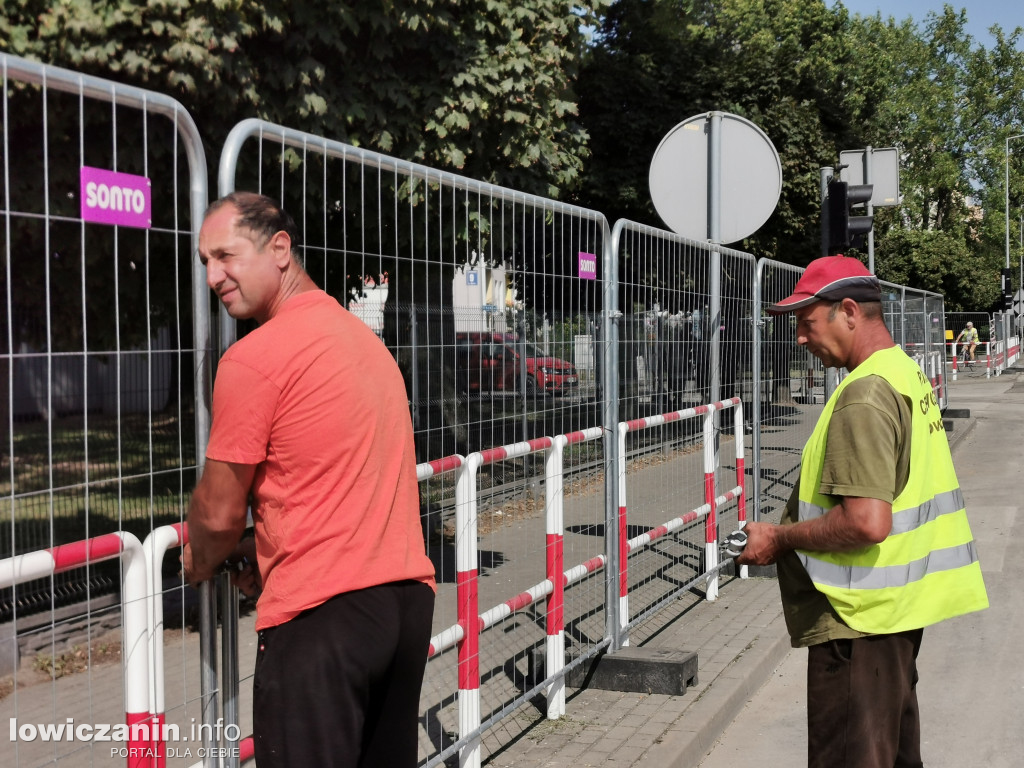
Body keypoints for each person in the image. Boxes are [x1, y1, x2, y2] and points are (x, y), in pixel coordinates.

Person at [181, 192, 437, 768]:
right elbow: (336, 479)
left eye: (226, 255)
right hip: (403, 606)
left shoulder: (255, 358)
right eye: (204, 262)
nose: (214, 276)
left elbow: (218, 513)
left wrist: (201, 559)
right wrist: (262, 544)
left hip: (323, 619)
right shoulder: (363, 343)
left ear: (279, 249)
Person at [736, 255, 988, 768]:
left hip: (858, 625)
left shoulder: (863, 395)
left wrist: (778, 539)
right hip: (893, 618)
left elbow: (866, 522)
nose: (800, 339)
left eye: (807, 323)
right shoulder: (904, 373)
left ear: (848, 311)